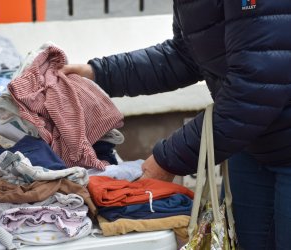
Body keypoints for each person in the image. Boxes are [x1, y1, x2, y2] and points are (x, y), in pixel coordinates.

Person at [60, 1, 291, 249]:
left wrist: (166, 160)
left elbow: (253, 89)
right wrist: (98, 73)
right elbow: (186, 56)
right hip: (253, 144)